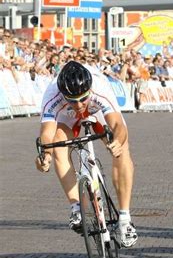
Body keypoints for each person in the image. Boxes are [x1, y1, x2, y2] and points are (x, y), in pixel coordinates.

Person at [35, 61, 138, 248]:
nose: (79, 105)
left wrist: (116, 142)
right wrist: (46, 156)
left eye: (83, 99)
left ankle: (124, 218)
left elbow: (118, 126)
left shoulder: (99, 89)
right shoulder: (52, 96)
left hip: (97, 112)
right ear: (63, 95)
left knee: (122, 149)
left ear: (89, 91)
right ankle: (76, 208)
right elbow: (47, 134)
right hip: (66, 117)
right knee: (58, 143)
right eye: (73, 100)